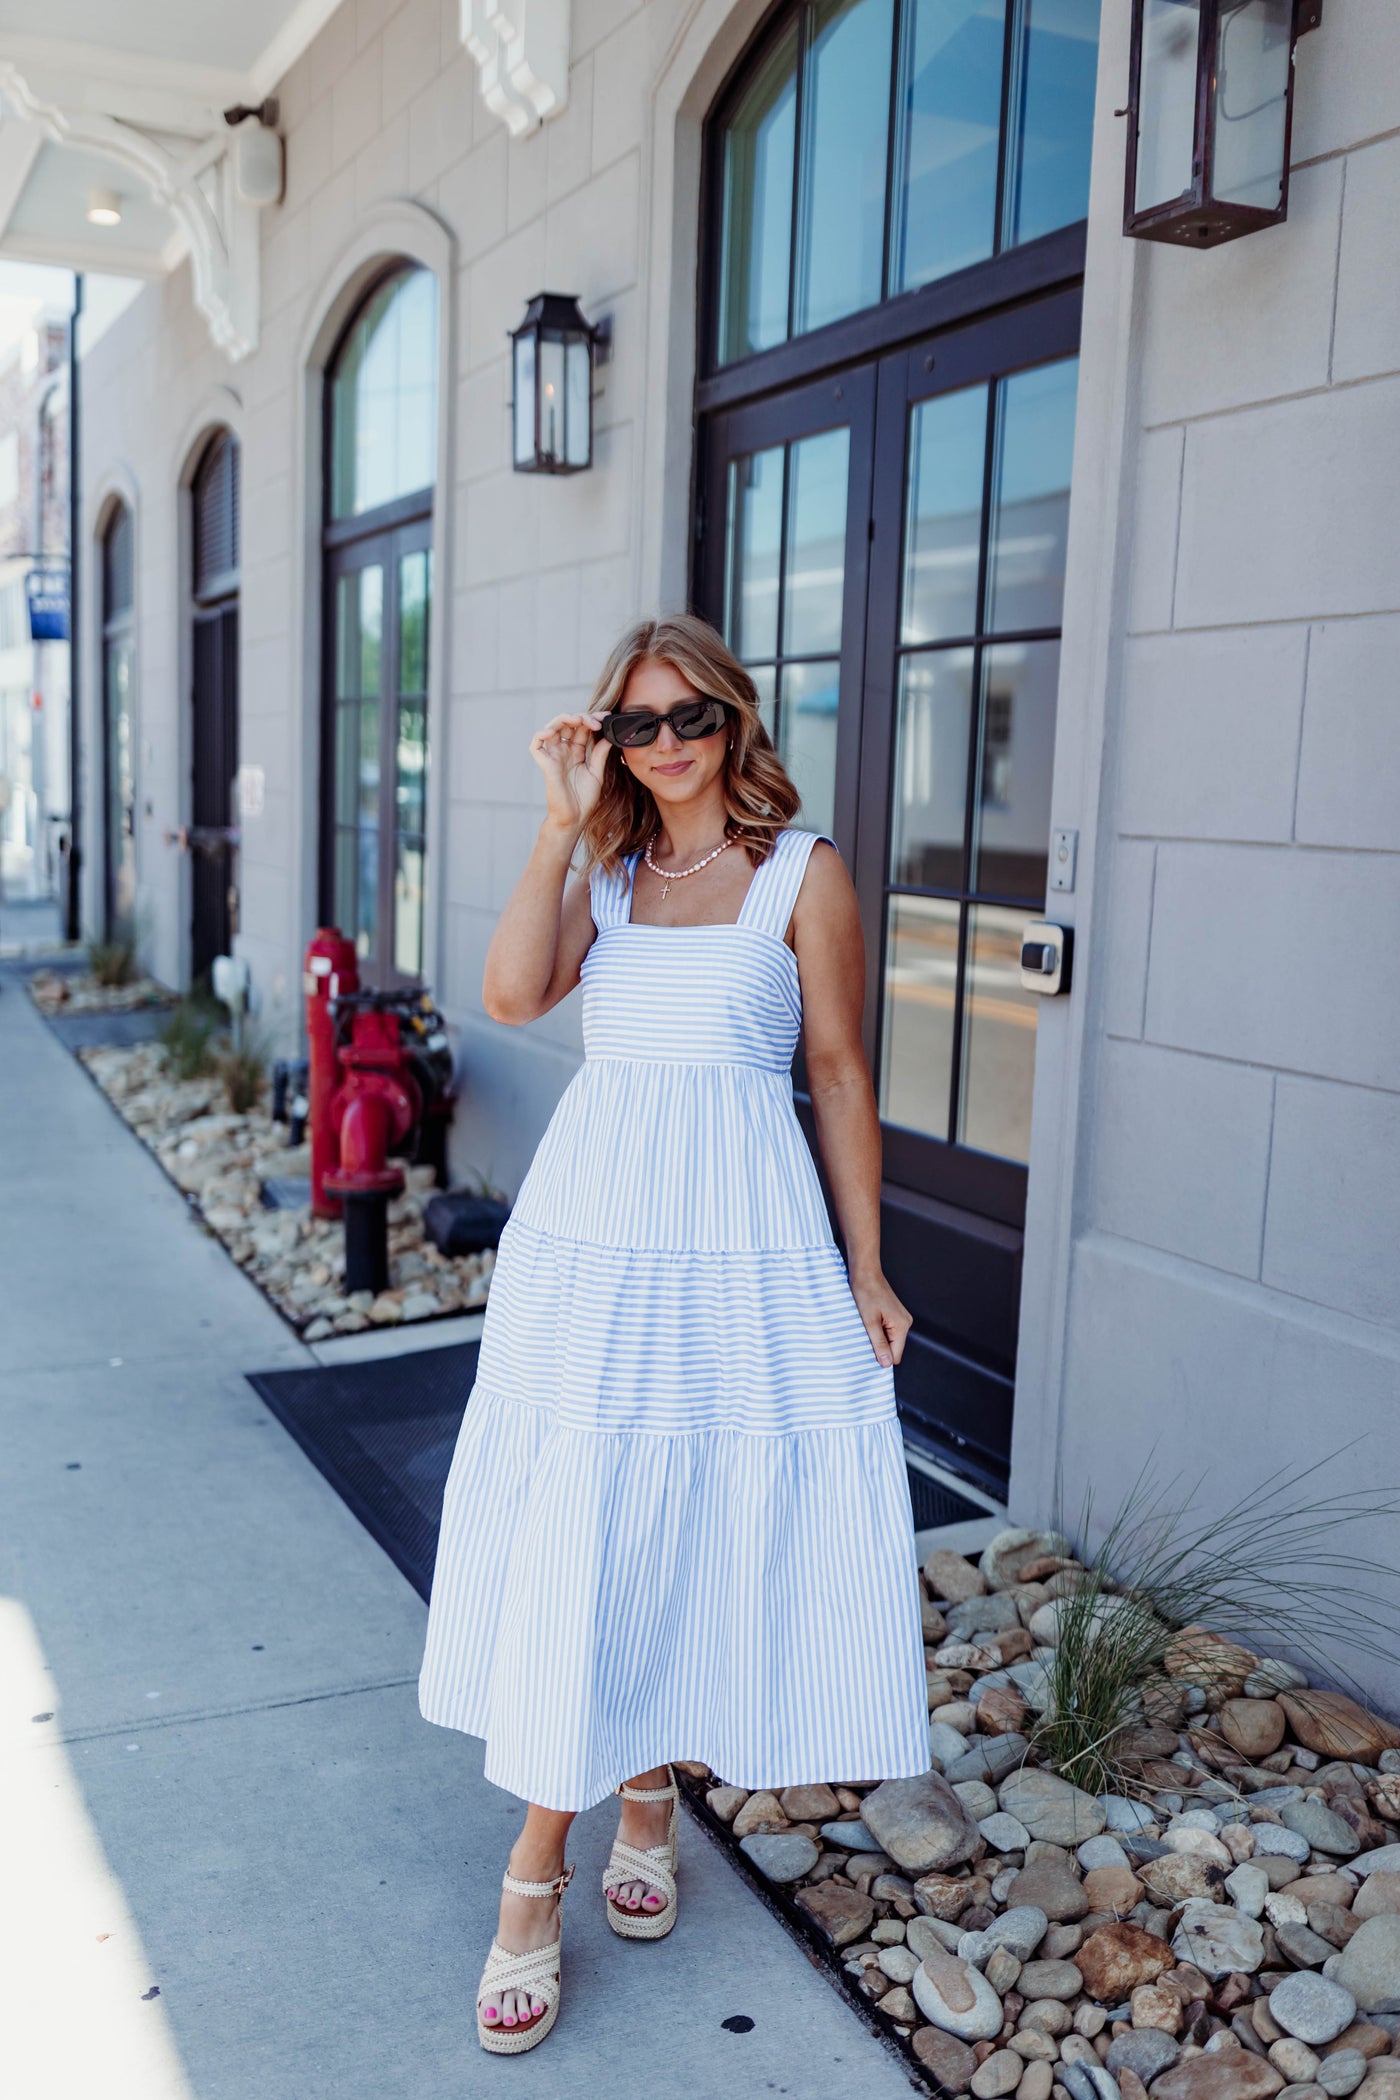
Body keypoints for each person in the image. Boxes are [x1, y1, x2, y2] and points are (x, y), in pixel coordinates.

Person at [418, 612, 929, 2054]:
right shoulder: (615, 871)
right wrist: (556, 827)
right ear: (612, 740)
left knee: (685, 1514)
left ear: (733, 720)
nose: (664, 745)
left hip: (743, 1243)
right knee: (594, 1519)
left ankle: (647, 1792)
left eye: (686, 717)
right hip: (595, 1244)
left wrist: (868, 1266)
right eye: (635, 725)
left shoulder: (801, 876)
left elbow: (835, 1070)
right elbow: (513, 995)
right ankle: (542, 1865)